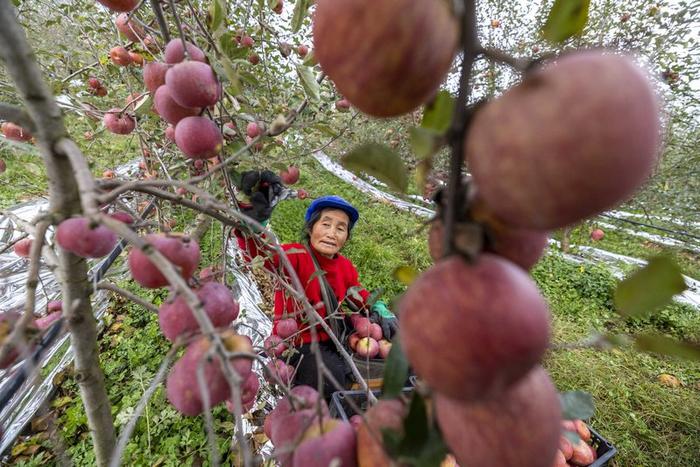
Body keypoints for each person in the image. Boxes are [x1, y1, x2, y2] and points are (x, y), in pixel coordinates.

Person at [233, 170, 398, 399]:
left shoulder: (345, 266)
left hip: (336, 336)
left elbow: (356, 292)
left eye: (341, 228)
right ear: (311, 229)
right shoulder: (294, 256)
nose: (332, 233)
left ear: (346, 237)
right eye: (326, 224)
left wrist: (377, 307)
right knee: (331, 378)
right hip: (299, 343)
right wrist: (254, 223)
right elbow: (259, 254)